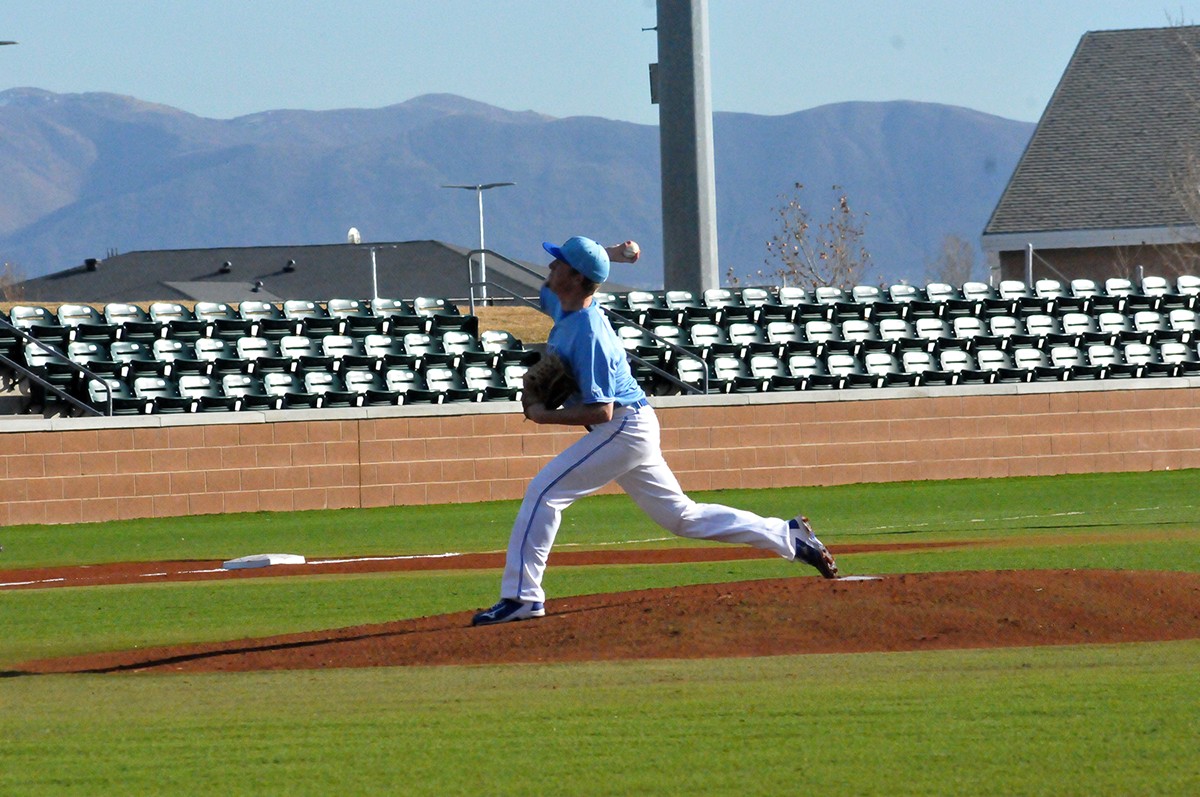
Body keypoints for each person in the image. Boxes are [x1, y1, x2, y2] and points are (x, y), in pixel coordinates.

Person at [472, 236, 837, 626]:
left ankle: (522, 597)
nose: (550, 267)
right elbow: (568, 279)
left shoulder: (590, 333)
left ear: (576, 279)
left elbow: (600, 410)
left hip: (622, 427)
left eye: (559, 263)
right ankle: (788, 535)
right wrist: (610, 256)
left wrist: (542, 416)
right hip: (632, 427)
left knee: (545, 493)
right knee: (682, 517)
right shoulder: (565, 302)